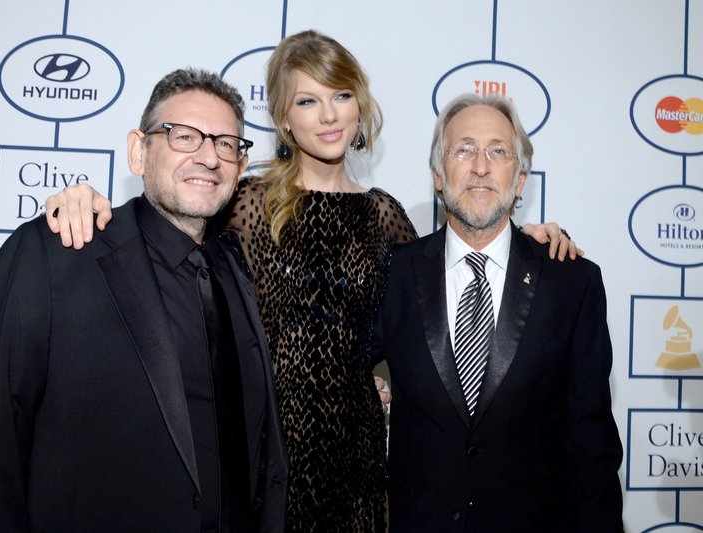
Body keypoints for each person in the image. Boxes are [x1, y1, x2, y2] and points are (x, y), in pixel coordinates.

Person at [44, 31, 578, 531]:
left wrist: (525, 238)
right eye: (307, 101)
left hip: (360, 460)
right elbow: (164, 233)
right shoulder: (243, 202)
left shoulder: (385, 218)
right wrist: (83, 200)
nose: (328, 115)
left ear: (360, 106)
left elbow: (443, 295)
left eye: (341, 95)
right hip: (262, 448)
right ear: (283, 117)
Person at [0, 68, 288, 532]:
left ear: (240, 166)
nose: (209, 157)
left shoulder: (236, 268)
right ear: (138, 150)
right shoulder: (55, 253)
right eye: (184, 136)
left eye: (226, 144)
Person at [373, 93, 623, 531]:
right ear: (437, 173)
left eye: (498, 151)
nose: (481, 167)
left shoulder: (572, 282)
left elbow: (592, 443)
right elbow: (333, 370)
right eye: (464, 149)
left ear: (521, 178)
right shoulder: (392, 273)